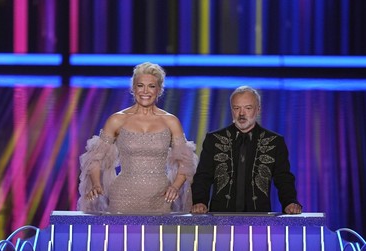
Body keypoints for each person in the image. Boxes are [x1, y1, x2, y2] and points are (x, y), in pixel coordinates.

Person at [77, 62, 198, 214]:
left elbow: (186, 162)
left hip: (160, 198)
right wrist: (96, 183)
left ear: (159, 90)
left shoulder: (170, 121)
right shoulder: (117, 120)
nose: (145, 91)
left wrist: (175, 186)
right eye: (140, 85)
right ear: (133, 88)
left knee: (157, 238)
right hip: (123, 197)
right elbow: (95, 158)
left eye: (151, 86)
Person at [191, 86, 302, 214]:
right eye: (236, 108)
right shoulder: (214, 139)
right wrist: (200, 201)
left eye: (248, 108)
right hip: (221, 218)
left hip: (259, 218)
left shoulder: (274, 141)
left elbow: (283, 178)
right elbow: (203, 176)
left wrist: (290, 202)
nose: (242, 114)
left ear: (258, 109)